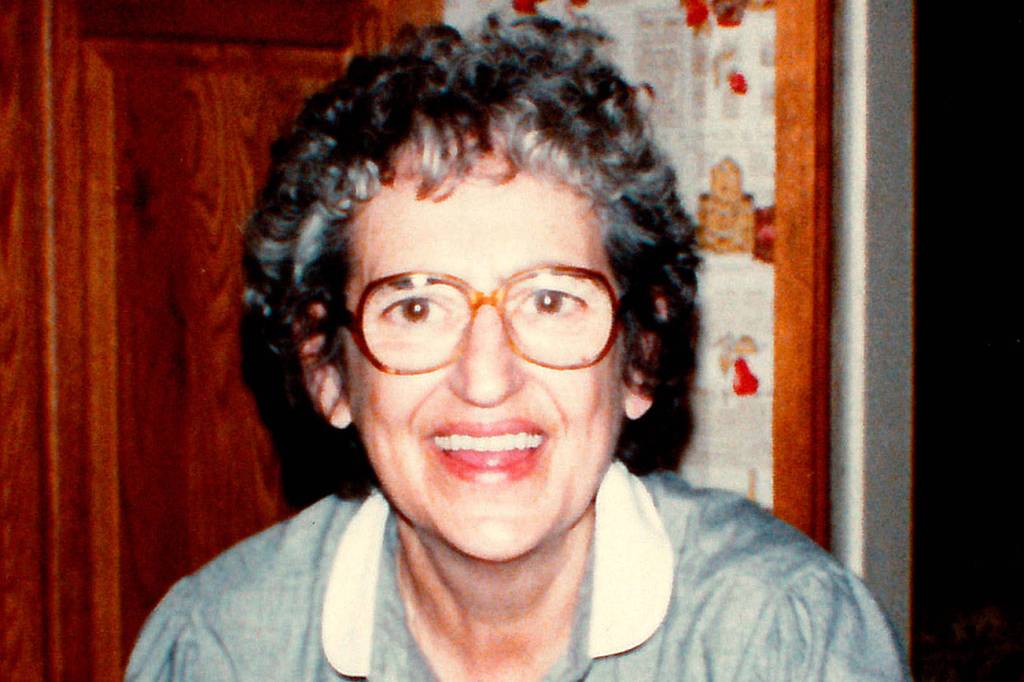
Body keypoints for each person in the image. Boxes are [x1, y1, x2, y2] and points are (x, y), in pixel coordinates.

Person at [127, 15, 908, 681]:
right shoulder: (221, 649)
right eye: (416, 306)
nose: (486, 379)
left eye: (550, 300)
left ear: (638, 357)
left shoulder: (784, 641)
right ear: (329, 370)